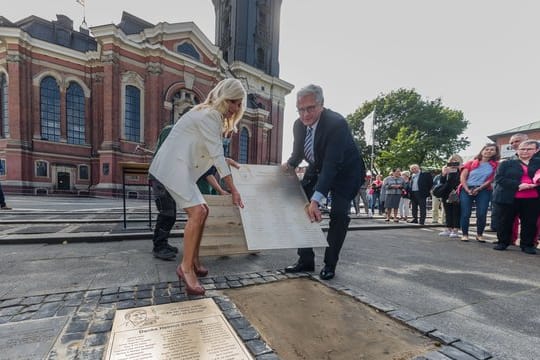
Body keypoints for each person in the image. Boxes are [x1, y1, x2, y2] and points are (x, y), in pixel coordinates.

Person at [149, 78, 246, 295]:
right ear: (223, 97)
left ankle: (193, 260)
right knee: (198, 211)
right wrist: (234, 189)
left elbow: (208, 151)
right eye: (232, 101)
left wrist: (224, 160)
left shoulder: (210, 115)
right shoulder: (210, 115)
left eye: (239, 104)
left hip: (181, 167)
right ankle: (185, 268)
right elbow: (215, 154)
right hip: (173, 167)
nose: (235, 108)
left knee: (204, 210)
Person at [282, 84, 365, 280]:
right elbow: (298, 153)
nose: (305, 115)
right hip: (318, 168)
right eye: (301, 109)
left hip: (346, 172)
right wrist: (286, 167)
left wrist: (316, 201)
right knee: (298, 205)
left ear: (321, 105)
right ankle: (305, 260)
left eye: (310, 108)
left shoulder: (336, 123)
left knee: (339, 214)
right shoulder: (298, 125)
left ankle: (330, 264)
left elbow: (332, 164)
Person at [492, 140, 540, 254]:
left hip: (533, 197)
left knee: (530, 222)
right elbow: (499, 179)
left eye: (529, 149)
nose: (525, 151)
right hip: (508, 197)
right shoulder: (506, 163)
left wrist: (534, 184)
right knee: (505, 221)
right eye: (522, 149)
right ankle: (503, 242)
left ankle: (527, 245)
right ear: (517, 150)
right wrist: (518, 185)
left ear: (536, 150)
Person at [459, 143, 500, 242]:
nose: (488, 151)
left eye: (492, 150)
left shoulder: (496, 165)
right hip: (467, 188)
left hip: (484, 190)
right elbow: (463, 177)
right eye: (486, 149)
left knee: (482, 213)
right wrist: (467, 189)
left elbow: (491, 180)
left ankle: (479, 234)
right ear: (482, 151)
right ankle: (465, 234)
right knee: (465, 213)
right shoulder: (470, 163)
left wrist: (479, 189)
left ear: (495, 152)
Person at [438, 154, 463, 238]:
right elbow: (441, 182)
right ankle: (448, 228)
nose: (453, 162)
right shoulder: (446, 169)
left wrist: (459, 170)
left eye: (455, 160)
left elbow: (460, 181)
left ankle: (455, 230)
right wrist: (444, 174)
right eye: (452, 160)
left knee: (456, 212)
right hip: (446, 193)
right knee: (447, 212)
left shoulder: (462, 169)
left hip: (457, 192)